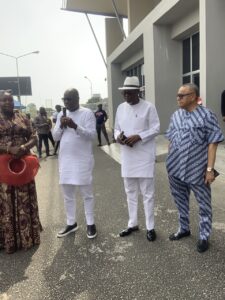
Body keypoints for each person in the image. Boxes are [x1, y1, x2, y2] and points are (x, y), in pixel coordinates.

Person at [166, 83, 224, 253]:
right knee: (180, 201)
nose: (178, 98)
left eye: (181, 95)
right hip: (175, 167)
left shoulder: (207, 115)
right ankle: (184, 229)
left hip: (197, 170)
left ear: (193, 96)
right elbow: (170, 139)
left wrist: (209, 169)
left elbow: (213, 143)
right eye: (177, 95)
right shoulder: (176, 115)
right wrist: (169, 162)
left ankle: (204, 236)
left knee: (204, 204)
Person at [114, 76, 160, 242]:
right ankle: (132, 224)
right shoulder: (120, 108)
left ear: (138, 92)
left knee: (147, 194)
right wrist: (119, 137)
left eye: (130, 93)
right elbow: (116, 128)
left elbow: (156, 128)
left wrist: (139, 136)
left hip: (144, 156)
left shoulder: (149, 107)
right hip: (127, 157)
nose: (126, 96)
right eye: (124, 93)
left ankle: (150, 227)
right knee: (130, 192)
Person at [0, 90, 42, 254]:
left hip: (22, 164)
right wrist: (9, 149)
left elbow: (34, 136)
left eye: (10, 101)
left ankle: (27, 236)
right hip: (3, 167)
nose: (7, 103)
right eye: (4, 101)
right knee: (6, 202)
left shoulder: (22, 117)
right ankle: (8, 240)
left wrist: (24, 147)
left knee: (25, 198)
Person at [53, 88, 97, 239]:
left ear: (77, 98)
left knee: (87, 194)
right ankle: (71, 223)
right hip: (66, 161)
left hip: (82, 160)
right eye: (64, 99)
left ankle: (90, 223)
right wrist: (61, 125)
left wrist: (75, 126)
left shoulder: (87, 113)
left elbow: (92, 135)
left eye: (69, 99)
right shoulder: (61, 114)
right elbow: (55, 137)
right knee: (68, 195)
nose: (66, 102)